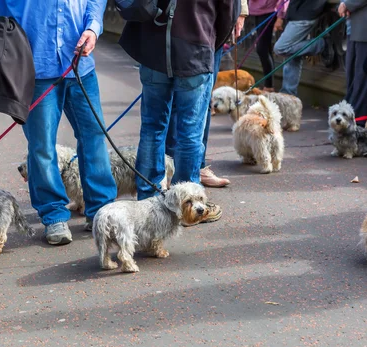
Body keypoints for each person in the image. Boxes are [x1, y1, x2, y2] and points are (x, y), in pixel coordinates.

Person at [0, 0, 118, 245]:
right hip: (34, 66)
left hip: (80, 63)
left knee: (95, 138)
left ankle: (101, 210)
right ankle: (53, 214)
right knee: (41, 146)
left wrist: (93, 27)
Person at [119, 1, 239, 218]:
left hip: (154, 47)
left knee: (152, 129)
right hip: (195, 47)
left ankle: (148, 199)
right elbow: (229, 13)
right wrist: (208, 40)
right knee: (190, 133)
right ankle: (188, 205)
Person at [165, 0, 248, 196]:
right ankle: (170, 171)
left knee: (201, 103)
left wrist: (240, 11)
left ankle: (196, 167)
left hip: (210, 25)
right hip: (178, 23)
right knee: (177, 105)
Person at [273, 0, 328, 96]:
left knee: (281, 48)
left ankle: (321, 44)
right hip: (299, 12)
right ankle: (288, 94)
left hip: (304, 13)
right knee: (292, 56)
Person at [338, 0, 367, 123]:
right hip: (353, 23)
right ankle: (351, 112)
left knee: (361, 74)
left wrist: (347, 4)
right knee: (352, 73)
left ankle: (359, 116)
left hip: (366, 23)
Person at [249, 0, 288, 93]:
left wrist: (280, 17)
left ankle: (269, 86)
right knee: (265, 48)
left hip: (270, 11)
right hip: (255, 10)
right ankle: (269, 85)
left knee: (262, 48)